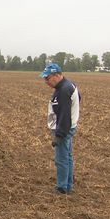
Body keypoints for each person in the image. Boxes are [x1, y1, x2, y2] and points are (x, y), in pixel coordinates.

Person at [41, 63, 80, 194]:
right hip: (69, 127)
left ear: (57, 75)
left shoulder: (63, 90)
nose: (46, 81)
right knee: (68, 156)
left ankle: (62, 187)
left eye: (47, 78)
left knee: (61, 159)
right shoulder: (68, 85)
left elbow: (64, 115)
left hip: (65, 129)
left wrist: (59, 135)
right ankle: (68, 184)